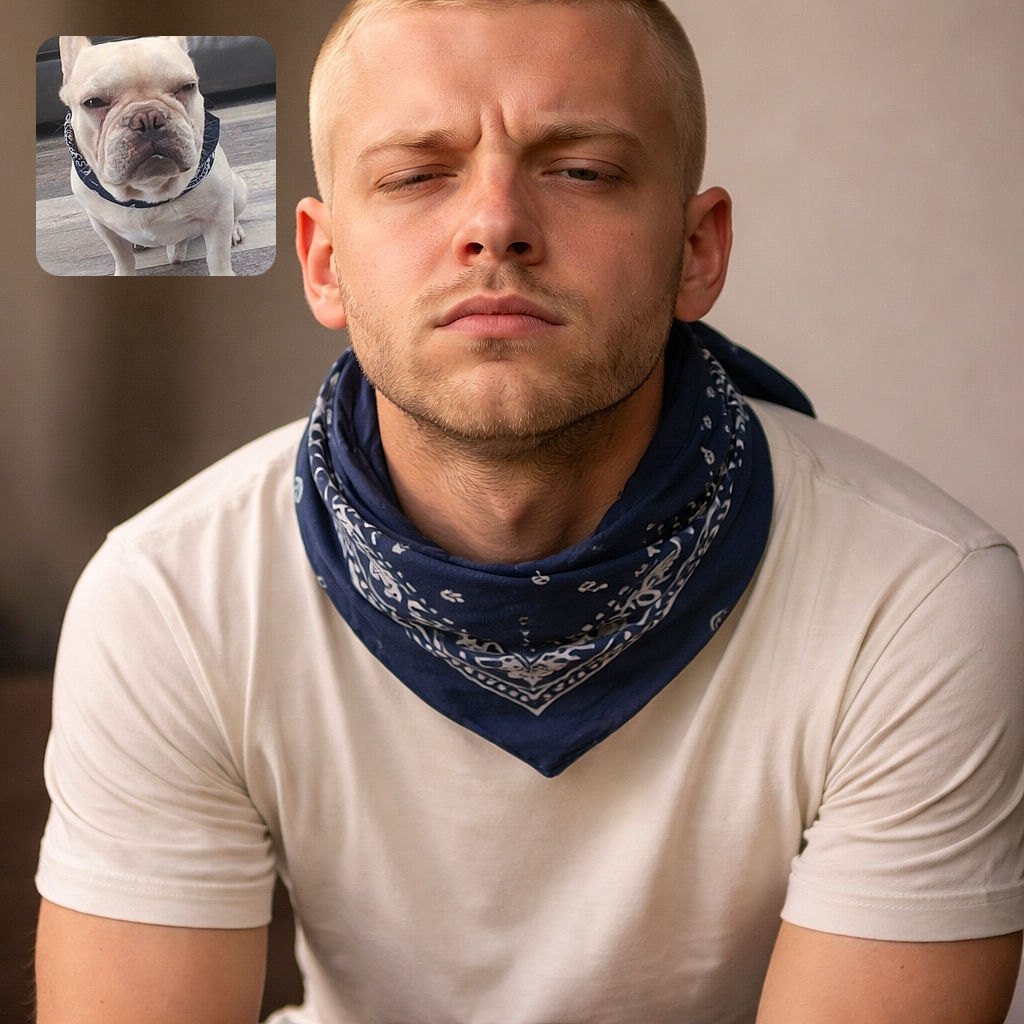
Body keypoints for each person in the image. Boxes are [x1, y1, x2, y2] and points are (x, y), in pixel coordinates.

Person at [34, 1, 1024, 1021]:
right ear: (326, 262)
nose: (494, 222)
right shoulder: (169, 597)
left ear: (696, 251)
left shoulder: (917, 603)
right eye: (418, 173)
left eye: (582, 169)